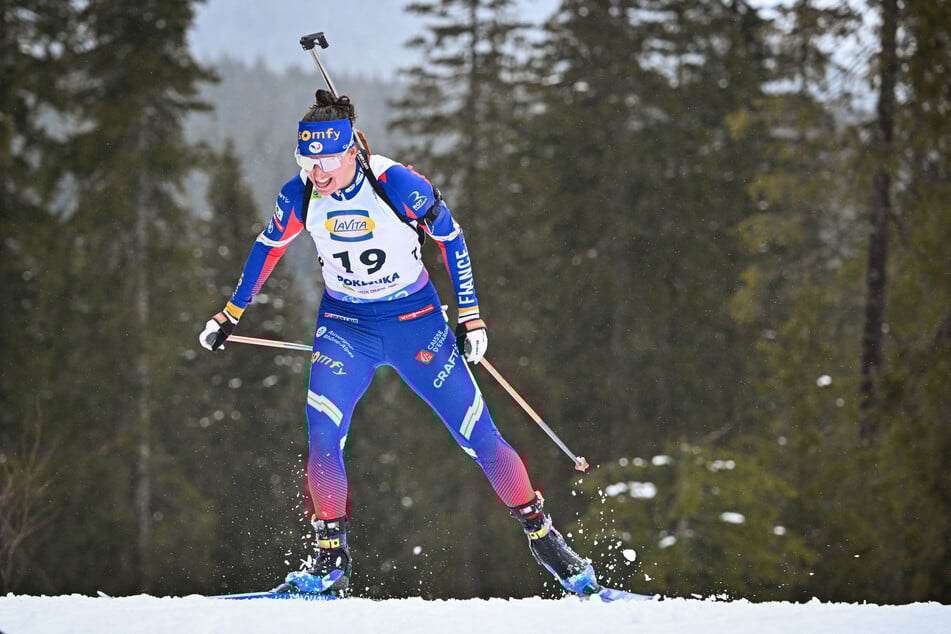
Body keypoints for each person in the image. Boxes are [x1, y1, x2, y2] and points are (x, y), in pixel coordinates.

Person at [199, 90, 602, 598]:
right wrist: (230, 312)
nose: (316, 174)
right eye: (307, 162)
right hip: (345, 326)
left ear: (351, 152)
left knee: (479, 437)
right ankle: (330, 561)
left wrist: (472, 317)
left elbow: (452, 239)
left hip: (417, 324)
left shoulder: (395, 184)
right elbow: (268, 248)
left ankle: (546, 542)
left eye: (325, 162)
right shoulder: (300, 195)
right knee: (323, 435)